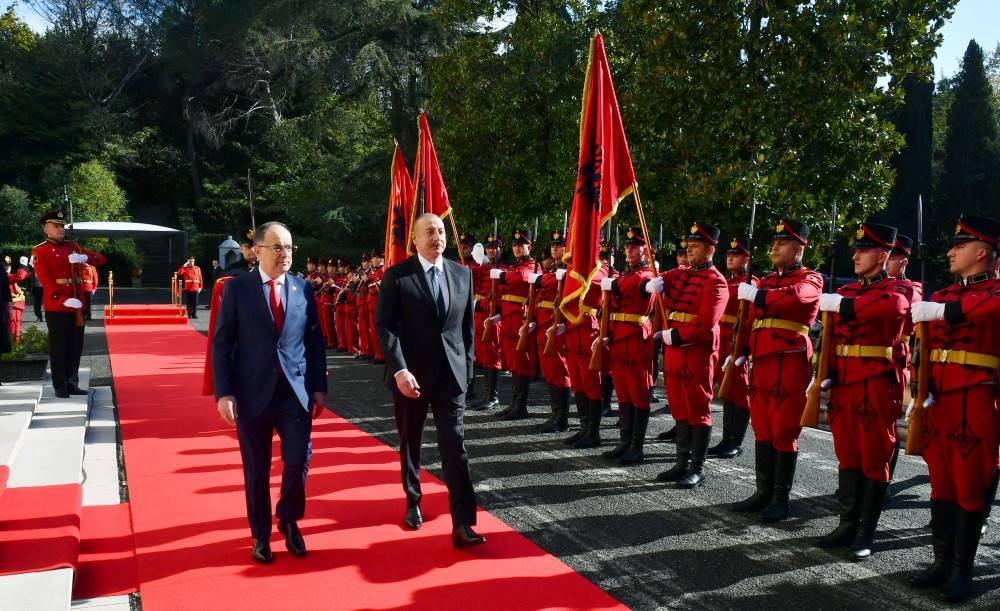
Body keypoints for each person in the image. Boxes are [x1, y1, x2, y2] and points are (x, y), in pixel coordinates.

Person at [212, 221, 328, 565]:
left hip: (295, 391)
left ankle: (289, 519)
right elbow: (222, 343)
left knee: (298, 459)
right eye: (277, 247)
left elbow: (314, 340)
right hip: (252, 393)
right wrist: (224, 393)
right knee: (257, 469)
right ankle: (260, 535)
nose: (285, 254)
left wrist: (319, 387)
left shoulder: (302, 288)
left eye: (289, 247)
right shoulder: (237, 289)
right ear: (257, 251)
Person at [374, 213, 484, 550]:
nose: (437, 238)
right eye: (429, 232)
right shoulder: (398, 276)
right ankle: (413, 500)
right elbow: (385, 326)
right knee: (411, 441)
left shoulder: (462, 273)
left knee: (455, 445)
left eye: (440, 231)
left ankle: (462, 523)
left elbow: (466, 329)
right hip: (412, 377)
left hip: (451, 377)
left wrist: (467, 371)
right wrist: (399, 369)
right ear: (415, 240)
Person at [908, 216, 1000, 602]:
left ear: (981, 253)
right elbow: (922, 346)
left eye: (959, 246)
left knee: (969, 484)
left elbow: (985, 310)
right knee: (942, 482)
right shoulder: (944, 294)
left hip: (975, 395)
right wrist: (919, 387)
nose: (949, 252)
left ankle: (963, 572)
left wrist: (939, 313)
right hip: (939, 398)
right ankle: (941, 563)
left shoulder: (994, 291)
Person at [815, 223, 909, 561]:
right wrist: (826, 372)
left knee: (874, 455)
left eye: (864, 250)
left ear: (883, 256)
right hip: (844, 381)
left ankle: (866, 533)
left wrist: (841, 305)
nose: (855, 256)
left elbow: (891, 308)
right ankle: (846, 525)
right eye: (855, 250)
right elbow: (831, 338)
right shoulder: (848, 289)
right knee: (847, 454)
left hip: (875, 381)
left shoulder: (898, 288)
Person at [733, 218, 822, 522]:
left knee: (784, 428)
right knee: (762, 425)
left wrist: (757, 296)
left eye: (782, 243)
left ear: (799, 249)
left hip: (789, 360)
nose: (774, 248)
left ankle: (780, 498)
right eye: (774, 243)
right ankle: (763, 492)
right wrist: (742, 350)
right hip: (762, 361)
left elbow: (796, 297)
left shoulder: (811, 278)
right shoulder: (768, 280)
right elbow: (751, 319)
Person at [650, 222, 727, 487]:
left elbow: (706, 323)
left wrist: (676, 335)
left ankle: (697, 467)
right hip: (674, 351)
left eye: (695, 247)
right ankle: (681, 463)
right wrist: (653, 282)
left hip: (696, 351)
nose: (689, 251)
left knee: (697, 407)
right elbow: (662, 278)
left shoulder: (716, 281)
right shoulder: (682, 273)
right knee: (679, 406)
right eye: (688, 246)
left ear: (709, 250)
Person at [31, 210, 106, 398]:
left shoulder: (75, 247)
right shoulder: (40, 250)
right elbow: (47, 282)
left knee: (75, 346)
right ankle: (60, 386)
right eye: (56, 226)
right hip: (58, 306)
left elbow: (100, 258)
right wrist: (64, 300)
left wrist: (84, 258)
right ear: (46, 229)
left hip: (77, 303)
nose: (60, 229)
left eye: (62, 226)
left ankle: (72, 383)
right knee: (58, 346)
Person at [596, 227, 656, 460]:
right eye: (627, 246)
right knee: (622, 392)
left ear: (645, 251)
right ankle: (625, 441)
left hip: (635, 337)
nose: (629, 250)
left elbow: (638, 285)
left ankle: (637, 446)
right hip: (617, 337)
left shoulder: (647, 275)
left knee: (638, 392)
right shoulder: (622, 275)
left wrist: (614, 285)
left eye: (634, 247)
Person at [709, 236, 759, 459]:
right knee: (727, 391)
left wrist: (745, 348)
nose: (730, 258)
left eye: (736, 255)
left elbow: (750, 318)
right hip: (721, 339)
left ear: (746, 259)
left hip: (735, 341)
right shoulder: (727, 281)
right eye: (729, 254)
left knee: (739, 392)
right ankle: (725, 439)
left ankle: (736, 441)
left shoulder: (750, 283)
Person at [491, 229, 539, 420]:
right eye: (515, 245)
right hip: (508, 317)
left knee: (522, 361)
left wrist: (502, 276)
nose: (517, 248)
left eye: (521, 245)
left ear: (529, 247)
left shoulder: (533, 266)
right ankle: (514, 403)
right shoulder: (512, 267)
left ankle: (521, 406)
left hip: (521, 318)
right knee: (512, 362)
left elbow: (522, 278)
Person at [531, 229, 572, 433]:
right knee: (549, 371)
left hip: (558, 325)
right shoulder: (551, 271)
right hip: (543, 323)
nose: (555, 248)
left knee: (560, 370)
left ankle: (562, 418)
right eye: (553, 245)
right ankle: (555, 414)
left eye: (559, 245)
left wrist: (564, 323)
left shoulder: (569, 271)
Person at [469, 234, 506, 411]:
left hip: (491, 316)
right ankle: (486, 395)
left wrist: (480, 304)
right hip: (478, 316)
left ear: (501, 250)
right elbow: (470, 273)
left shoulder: (503, 270)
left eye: (495, 248)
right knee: (483, 358)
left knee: (492, 357)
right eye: (489, 248)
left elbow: (498, 298)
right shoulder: (483, 268)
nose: (491, 250)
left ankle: (493, 397)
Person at [5, 256, 32, 343]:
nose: (7, 267)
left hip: (14, 307)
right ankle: (14, 349)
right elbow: (19, 276)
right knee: (13, 331)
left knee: (14, 330)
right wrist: (23, 266)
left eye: (9, 265)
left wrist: (31, 267)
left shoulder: (8, 276)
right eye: (4, 265)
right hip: (11, 307)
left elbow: (23, 275)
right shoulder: (4, 277)